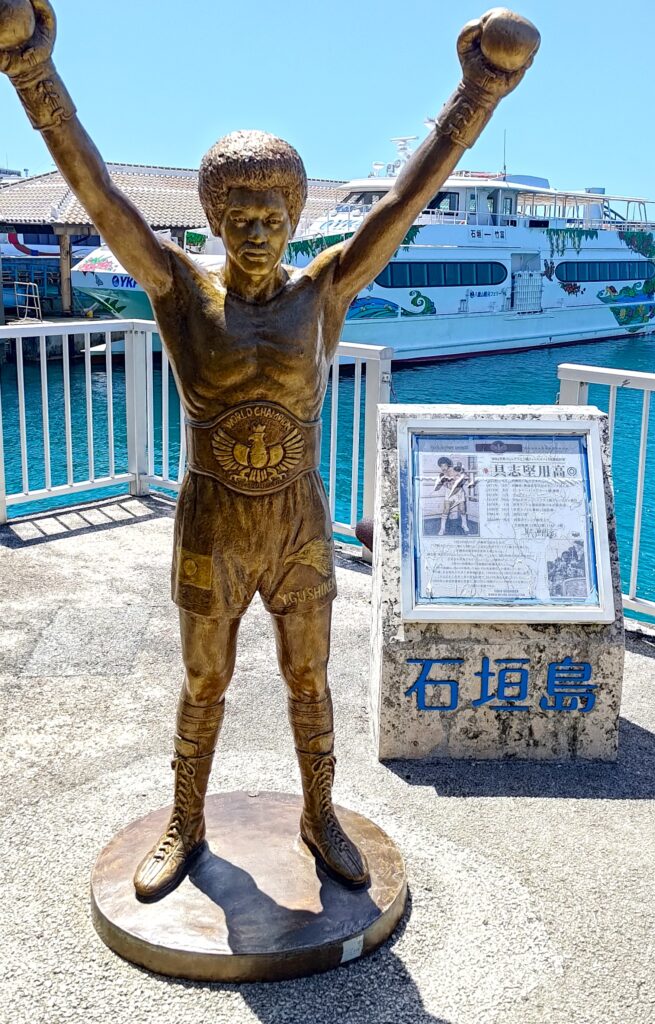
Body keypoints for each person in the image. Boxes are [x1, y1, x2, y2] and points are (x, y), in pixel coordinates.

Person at [0, 1, 538, 899]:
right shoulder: (177, 289)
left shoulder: (324, 291)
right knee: (203, 679)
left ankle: (319, 814)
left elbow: (402, 203)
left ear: (294, 217)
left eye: (273, 215)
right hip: (212, 520)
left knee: (308, 676)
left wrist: (476, 93)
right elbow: (100, 197)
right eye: (239, 215)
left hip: (297, 522)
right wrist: (33, 76)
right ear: (214, 218)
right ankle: (186, 820)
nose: (256, 230)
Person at [433, 457, 471, 535]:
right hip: (449, 493)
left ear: (448, 465)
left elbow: (466, 477)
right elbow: (441, 486)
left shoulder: (455, 470)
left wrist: (462, 477)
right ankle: (442, 528)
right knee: (446, 510)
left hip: (459, 492)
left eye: (445, 465)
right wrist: (441, 483)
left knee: (462, 510)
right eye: (441, 466)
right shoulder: (442, 475)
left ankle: (464, 525)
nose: (443, 468)